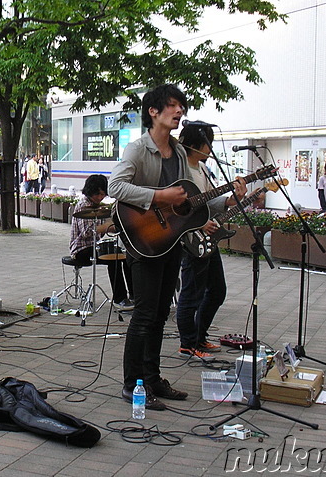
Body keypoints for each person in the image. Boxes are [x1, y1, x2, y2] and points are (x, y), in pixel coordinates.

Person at [108, 84, 194, 411]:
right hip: (142, 241)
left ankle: (152, 378)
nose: (178, 111)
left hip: (170, 241)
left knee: (160, 314)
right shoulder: (138, 150)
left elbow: (184, 201)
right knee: (144, 315)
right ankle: (132, 386)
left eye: (181, 106)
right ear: (153, 112)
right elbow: (116, 186)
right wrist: (158, 197)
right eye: (172, 106)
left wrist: (226, 202)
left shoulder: (181, 152)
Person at [175, 124, 246, 362]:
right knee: (191, 293)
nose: (211, 149)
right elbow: (176, 209)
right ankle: (188, 343)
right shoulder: (179, 169)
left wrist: (235, 197)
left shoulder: (203, 168)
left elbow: (210, 201)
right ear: (196, 144)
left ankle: (199, 335)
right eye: (209, 144)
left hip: (207, 239)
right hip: (190, 239)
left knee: (217, 291)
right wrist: (199, 224)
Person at [69, 174, 132, 307]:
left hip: (93, 246)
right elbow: (87, 233)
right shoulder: (83, 206)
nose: (100, 197)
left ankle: (134, 294)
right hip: (81, 249)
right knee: (113, 259)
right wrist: (106, 228)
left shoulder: (97, 206)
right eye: (98, 194)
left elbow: (106, 228)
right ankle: (119, 297)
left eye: (103, 194)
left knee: (127, 257)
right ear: (90, 191)